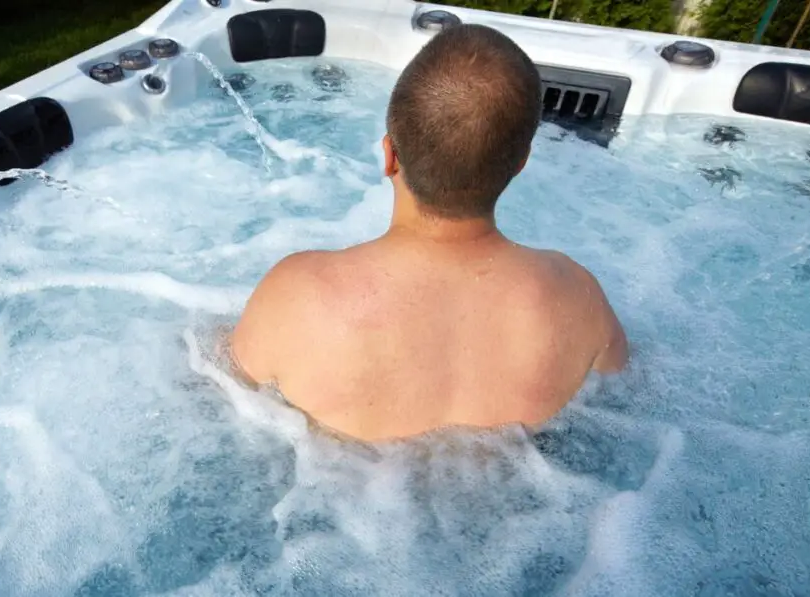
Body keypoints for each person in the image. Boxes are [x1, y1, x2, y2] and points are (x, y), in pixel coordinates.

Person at [228, 23, 628, 442]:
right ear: (520, 164)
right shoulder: (578, 297)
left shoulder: (296, 295)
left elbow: (224, 394)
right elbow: (622, 394)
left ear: (388, 156)